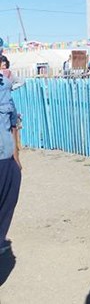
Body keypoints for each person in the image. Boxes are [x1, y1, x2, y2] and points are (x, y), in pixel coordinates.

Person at [0, 55, 21, 255]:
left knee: (8, 199)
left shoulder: (4, 86)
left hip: (5, 158)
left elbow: (12, 122)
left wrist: (16, 156)